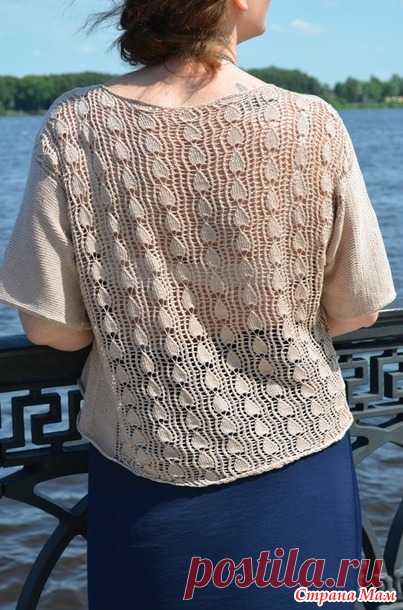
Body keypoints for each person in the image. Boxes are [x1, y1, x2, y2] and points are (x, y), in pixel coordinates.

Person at [0, 0, 397, 608]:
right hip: (299, 465)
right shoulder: (310, 123)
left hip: (146, 465)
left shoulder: (77, 125)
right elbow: (357, 310)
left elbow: (50, 326)